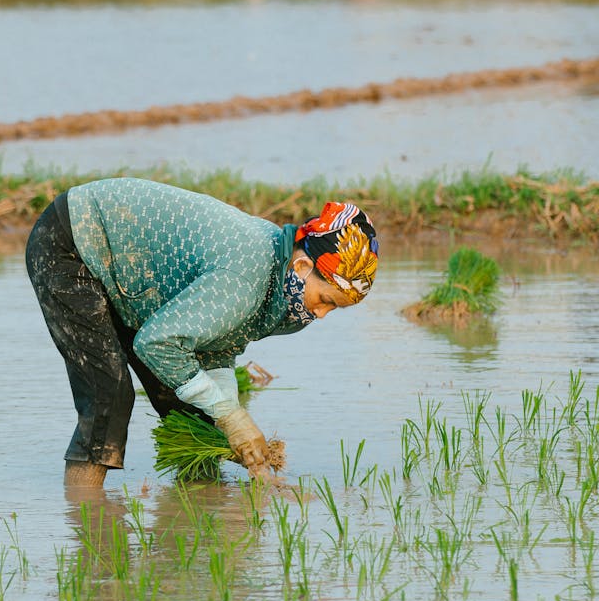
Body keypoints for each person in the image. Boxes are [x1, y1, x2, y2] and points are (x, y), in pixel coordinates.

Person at [25, 177, 378, 487]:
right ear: (302, 266)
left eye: (336, 308)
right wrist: (231, 415)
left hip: (137, 280)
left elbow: (217, 346)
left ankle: (202, 515)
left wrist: (236, 435)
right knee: (109, 394)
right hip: (74, 241)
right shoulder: (244, 277)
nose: (322, 314)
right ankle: (84, 514)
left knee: (194, 415)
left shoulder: (288, 298)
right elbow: (157, 343)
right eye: (326, 300)